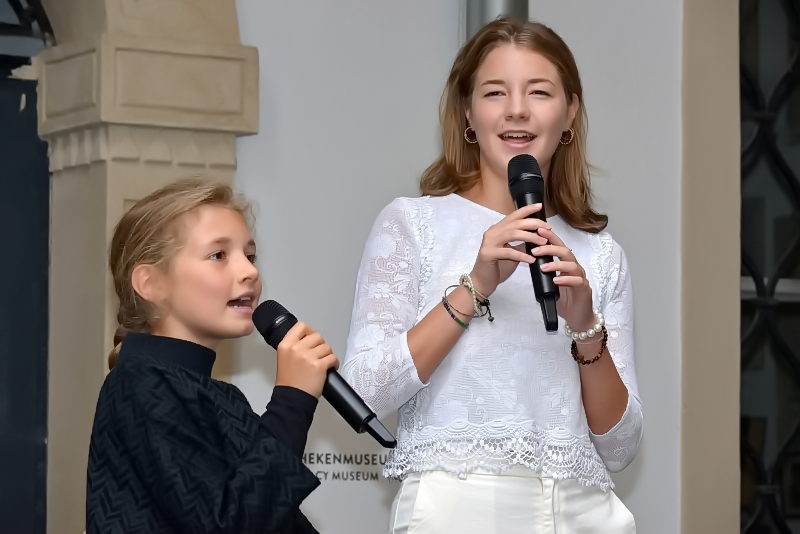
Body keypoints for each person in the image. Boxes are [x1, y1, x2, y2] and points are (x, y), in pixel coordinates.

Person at [341, 18, 642, 533]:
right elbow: (364, 392)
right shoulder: (413, 224)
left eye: (539, 92)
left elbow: (620, 448)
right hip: (459, 508)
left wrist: (585, 326)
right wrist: (475, 286)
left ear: (570, 111)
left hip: (584, 512)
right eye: (495, 92)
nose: (517, 109)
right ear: (468, 112)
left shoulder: (601, 254)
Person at [86, 178, 338, 533]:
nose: (250, 271)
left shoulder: (219, 396)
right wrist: (292, 401)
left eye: (250, 256)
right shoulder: (139, 384)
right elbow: (230, 525)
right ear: (150, 283)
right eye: (218, 255)